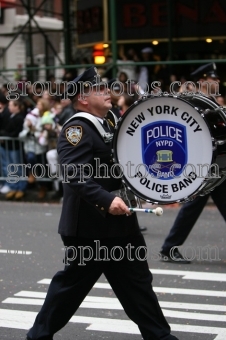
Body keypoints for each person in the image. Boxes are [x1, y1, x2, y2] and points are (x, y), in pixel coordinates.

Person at [26, 67, 179, 340]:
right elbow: (73, 173)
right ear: (83, 98)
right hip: (89, 230)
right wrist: (107, 200)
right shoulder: (77, 128)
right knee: (69, 290)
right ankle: (37, 336)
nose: (107, 92)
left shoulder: (111, 122)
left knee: (138, 287)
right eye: (99, 89)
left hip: (121, 226)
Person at [159, 63, 226, 264]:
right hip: (204, 166)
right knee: (191, 208)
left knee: (193, 208)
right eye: (213, 79)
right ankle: (168, 248)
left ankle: (169, 248)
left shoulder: (210, 102)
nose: (218, 81)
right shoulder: (198, 103)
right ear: (203, 80)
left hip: (214, 164)